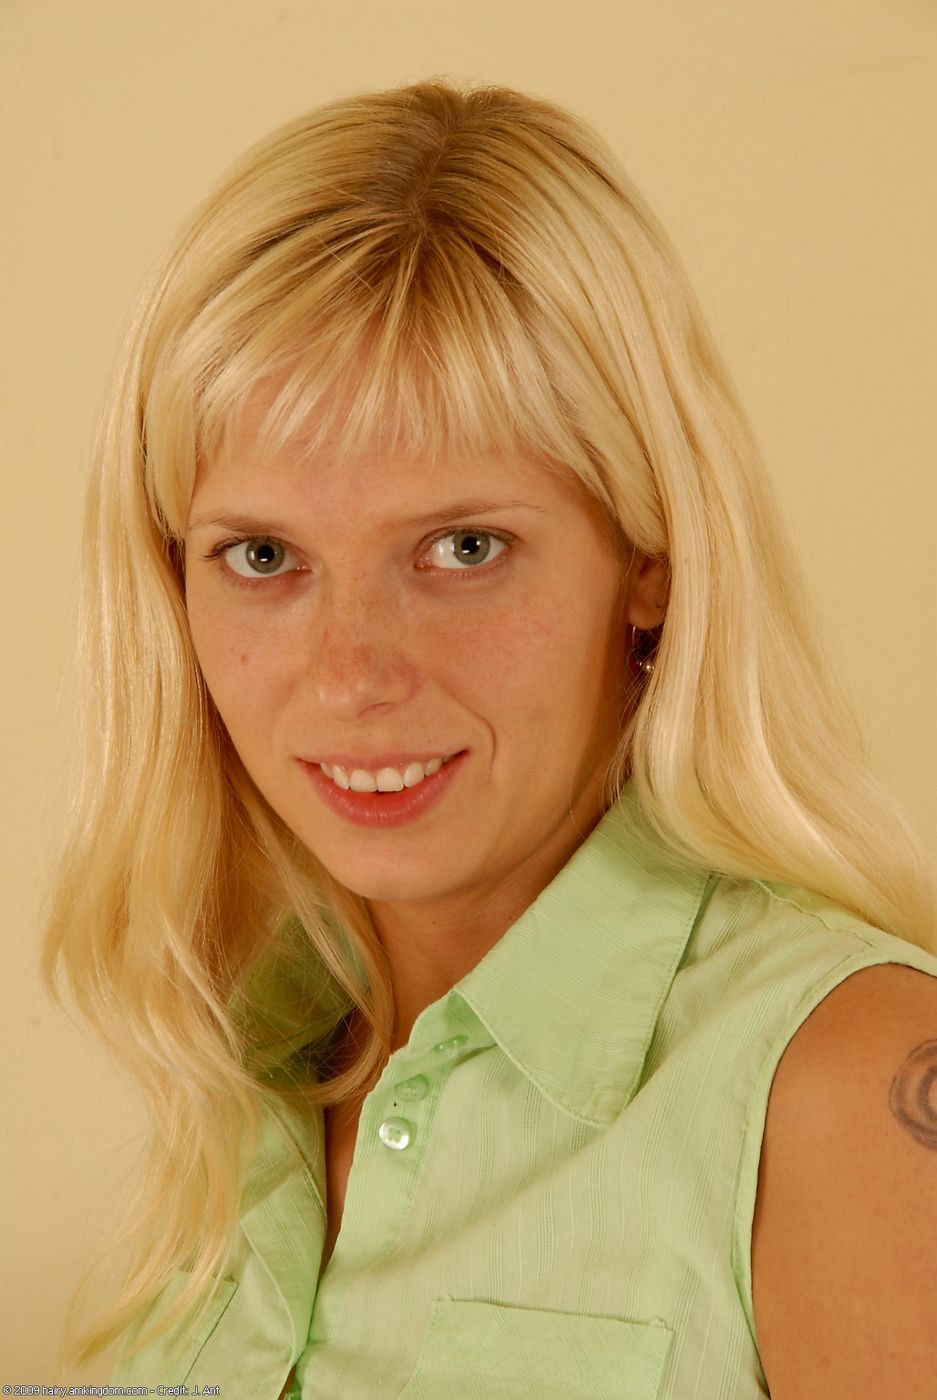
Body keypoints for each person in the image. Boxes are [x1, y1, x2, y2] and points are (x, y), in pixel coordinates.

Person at [41, 78, 937, 1399]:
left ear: (649, 559)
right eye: (264, 556)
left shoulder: (846, 1093)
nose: (351, 675)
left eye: (462, 548)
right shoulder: (245, 1077)